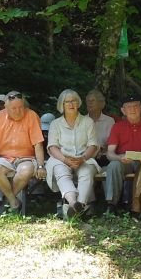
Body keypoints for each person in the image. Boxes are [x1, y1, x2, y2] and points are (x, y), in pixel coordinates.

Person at [0, 91, 45, 215]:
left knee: (26, 171)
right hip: (4, 158)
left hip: (26, 158)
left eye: (20, 107)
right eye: (14, 108)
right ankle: (14, 202)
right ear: (6, 107)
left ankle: (7, 202)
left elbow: (38, 144)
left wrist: (40, 166)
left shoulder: (32, 115)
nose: (18, 111)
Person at [104, 97, 141, 218]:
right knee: (113, 165)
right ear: (123, 110)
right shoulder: (117, 127)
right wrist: (119, 158)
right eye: (129, 107)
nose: (133, 109)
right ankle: (111, 205)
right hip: (125, 161)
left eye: (136, 106)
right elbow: (109, 153)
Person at [45, 89, 99, 219]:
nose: (71, 104)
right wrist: (65, 160)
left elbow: (93, 145)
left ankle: (79, 204)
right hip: (61, 158)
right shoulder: (55, 124)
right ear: (62, 105)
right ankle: (74, 203)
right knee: (61, 171)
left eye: (73, 101)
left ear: (78, 103)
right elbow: (52, 147)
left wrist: (83, 158)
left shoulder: (88, 122)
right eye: (67, 102)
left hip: (84, 157)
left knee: (87, 172)